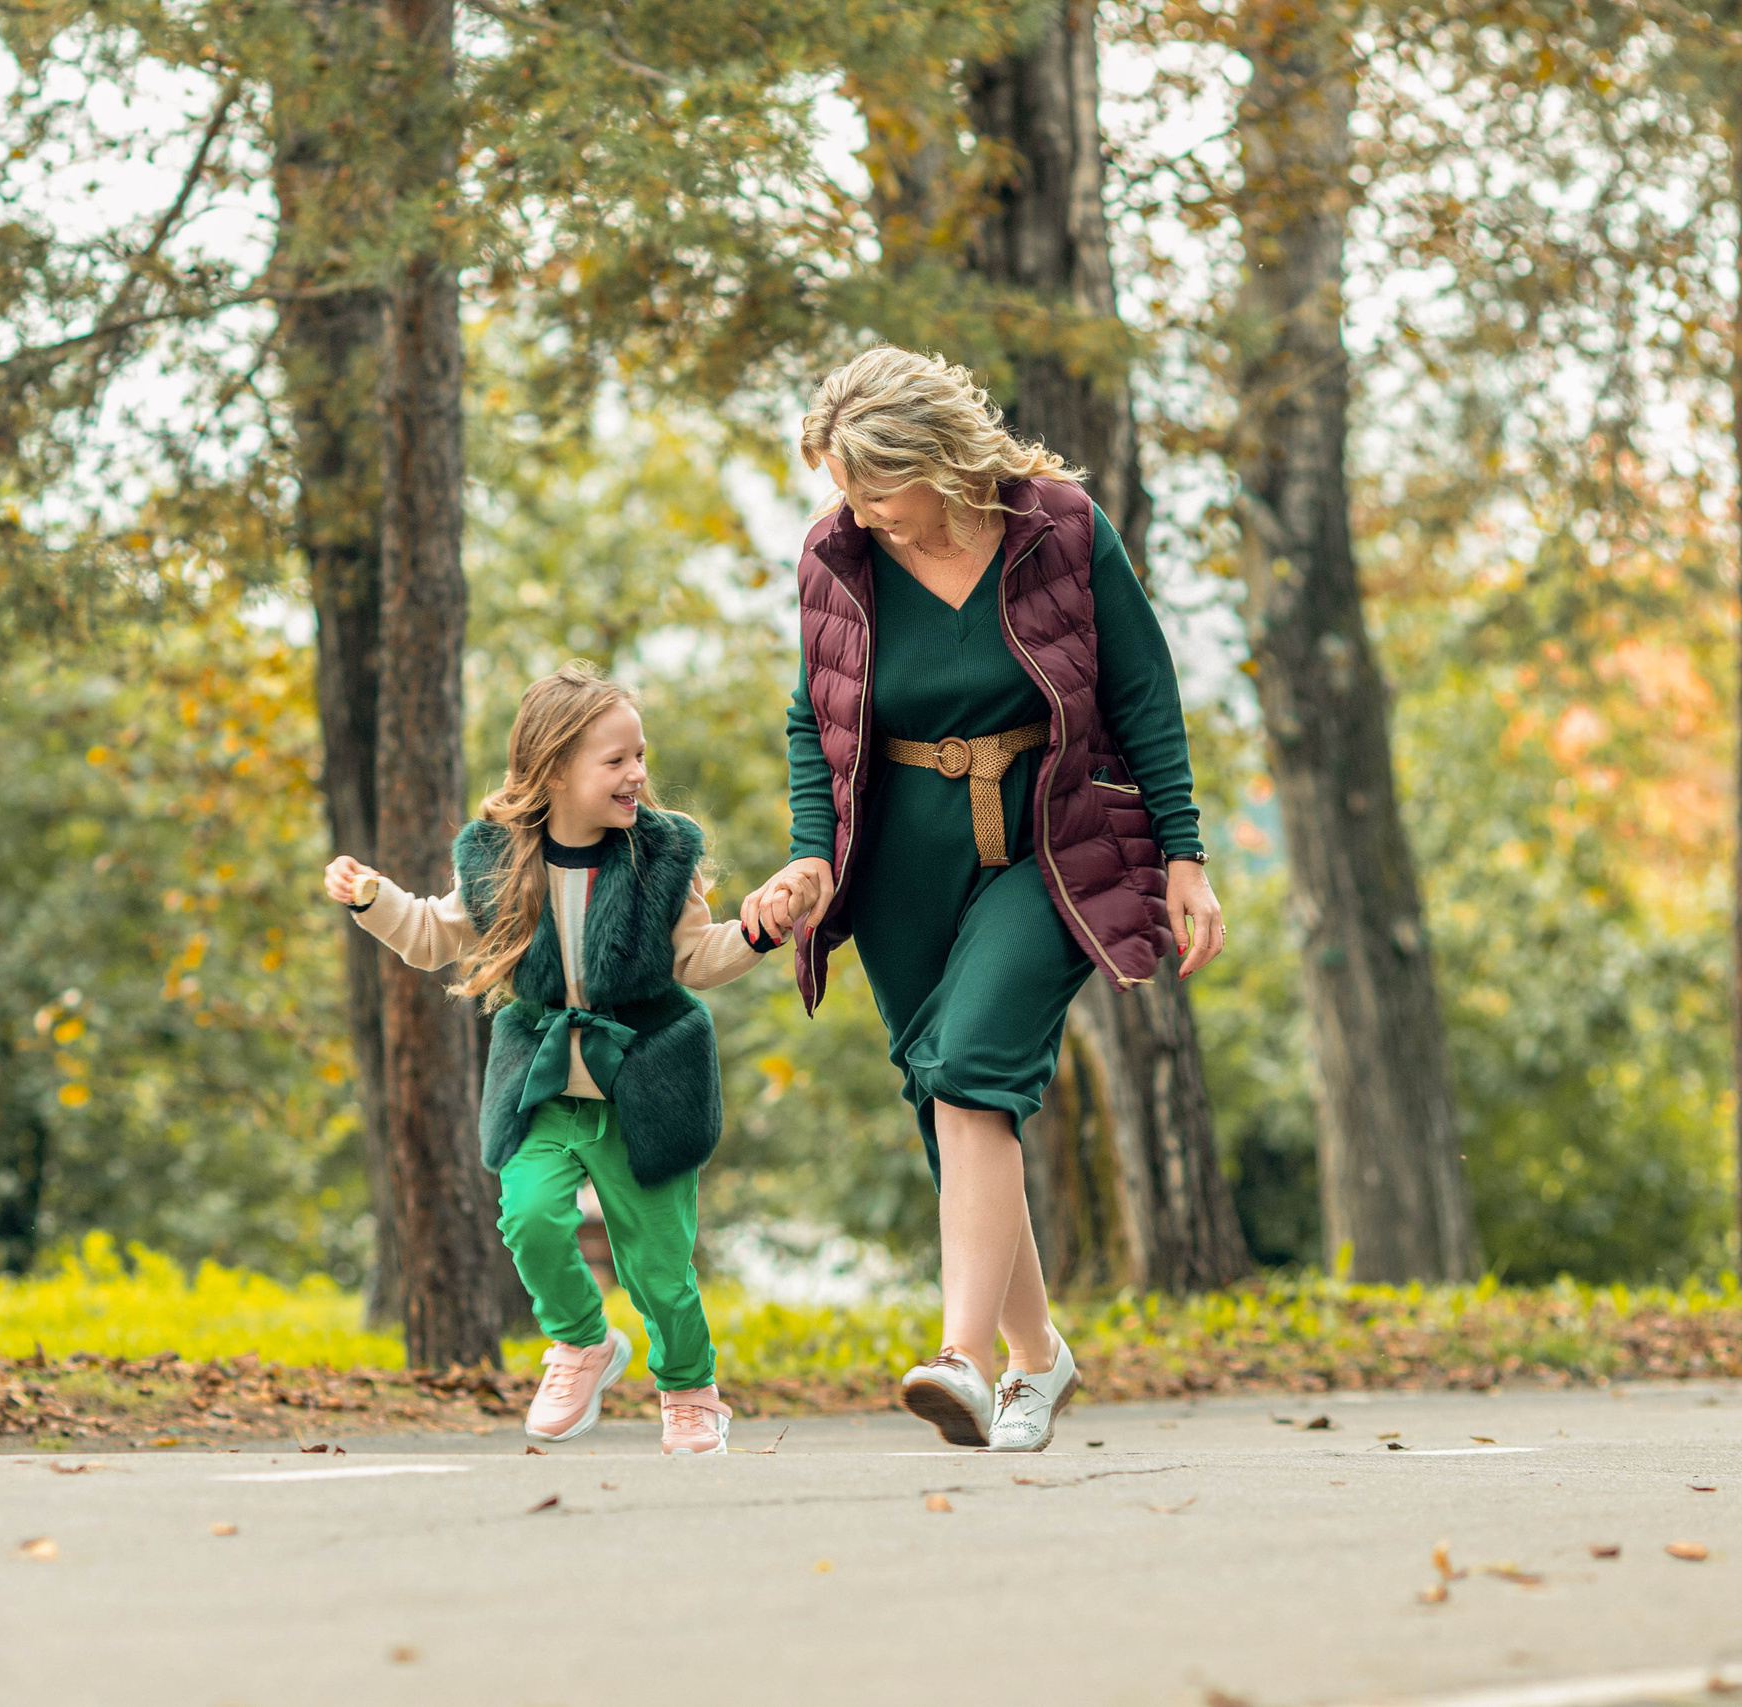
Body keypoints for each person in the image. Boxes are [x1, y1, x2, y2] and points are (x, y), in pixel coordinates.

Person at [738, 347, 1228, 1453]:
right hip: (900, 855)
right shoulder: (836, 550)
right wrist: (813, 862)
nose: (854, 510)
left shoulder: (1059, 527)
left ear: (944, 463)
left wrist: (1184, 854)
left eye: (873, 487)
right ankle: (1037, 1363)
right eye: (841, 487)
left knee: (972, 1074)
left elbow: (1142, 694)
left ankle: (958, 1358)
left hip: (1051, 843)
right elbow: (813, 723)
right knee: (949, 1102)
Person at [324, 662, 797, 1455]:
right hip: (543, 1080)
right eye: (615, 761)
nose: (637, 773)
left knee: (658, 1267)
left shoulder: (660, 856)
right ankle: (583, 1342)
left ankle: (690, 1389)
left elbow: (696, 956)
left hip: (644, 1077)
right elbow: (437, 936)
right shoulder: (497, 860)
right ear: (553, 771)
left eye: (639, 755)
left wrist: (759, 931)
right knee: (531, 1216)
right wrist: (376, 900)